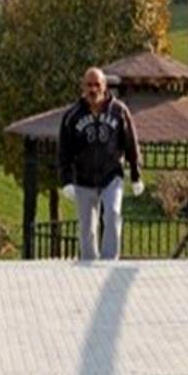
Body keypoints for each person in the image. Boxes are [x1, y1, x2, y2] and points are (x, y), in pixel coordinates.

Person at [57, 67, 143, 261]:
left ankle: (110, 262)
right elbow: (64, 151)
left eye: (97, 84)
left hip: (112, 175)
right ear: (83, 87)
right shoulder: (72, 116)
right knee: (87, 228)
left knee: (113, 213)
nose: (93, 89)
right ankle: (89, 267)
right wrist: (66, 180)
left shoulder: (119, 111)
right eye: (89, 85)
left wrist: (136, 175)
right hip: (83, 178)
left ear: (104, 86)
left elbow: (131, 143)